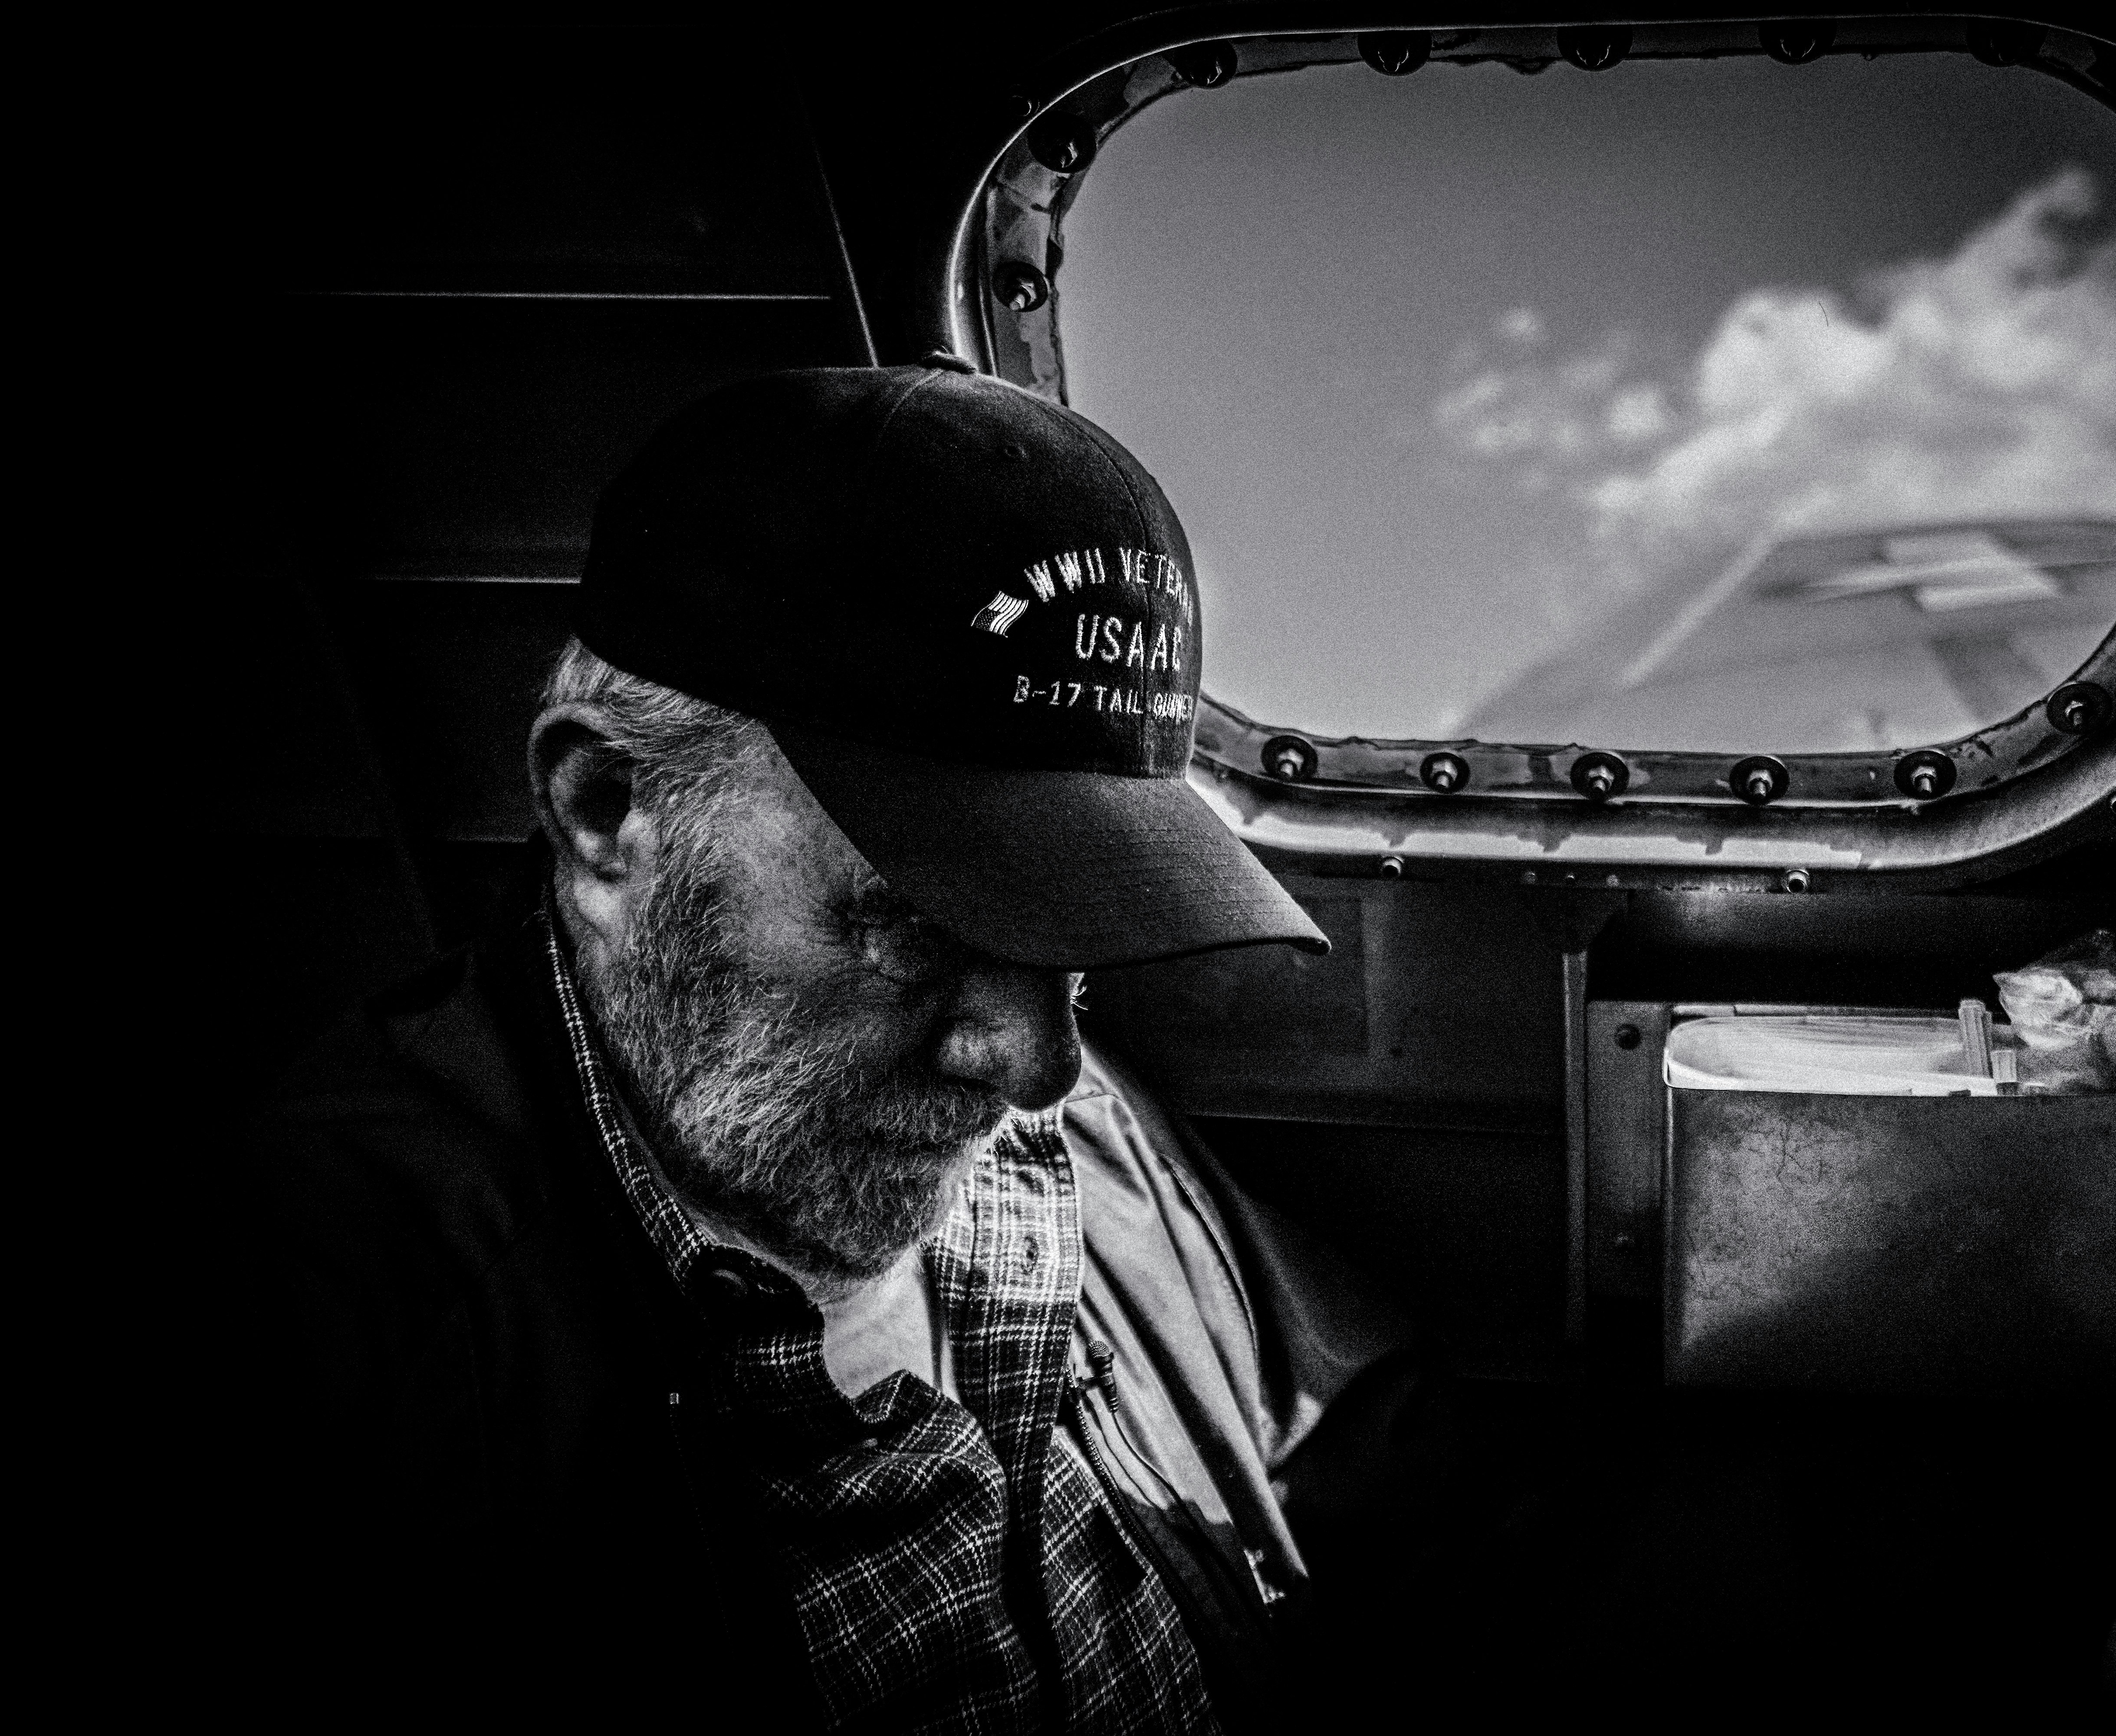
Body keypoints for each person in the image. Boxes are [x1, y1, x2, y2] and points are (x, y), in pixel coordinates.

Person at [240, 361, 1423, 1732]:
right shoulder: (335, 1340)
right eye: (919, 929)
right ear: (609, 809)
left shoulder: (1089, 1140)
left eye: (1072, 928)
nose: (1037, 1068)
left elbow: (1387, 1459)